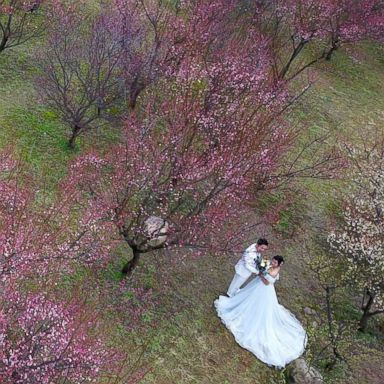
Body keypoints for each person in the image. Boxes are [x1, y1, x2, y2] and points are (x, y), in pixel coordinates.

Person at [215, 256, 307, 368]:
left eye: (275, 262)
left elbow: (267, 282)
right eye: (273, 260)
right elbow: (263, 269)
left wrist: (261, 273)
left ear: (279, 264)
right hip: (257, 285)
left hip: (264, 289)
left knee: (259, 306)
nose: (272, 262)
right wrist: (261, 268)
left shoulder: (275, 271)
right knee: (247, 298)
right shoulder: (269, 265)